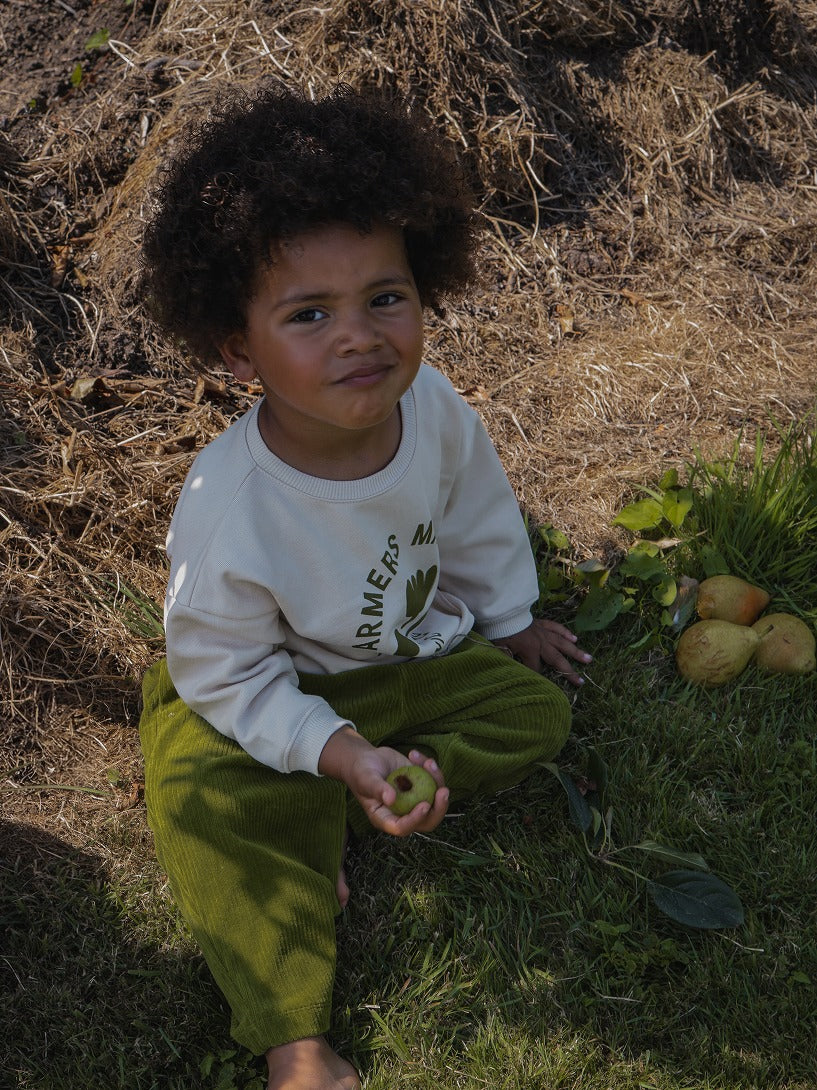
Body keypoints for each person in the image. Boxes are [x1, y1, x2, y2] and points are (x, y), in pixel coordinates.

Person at [138, 82, 591, 1090]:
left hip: (398, 663)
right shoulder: (231, 507)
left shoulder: (429, 406)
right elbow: (222, 669)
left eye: (385, 296)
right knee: (204, 800)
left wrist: (509, 619)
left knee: (531, 712)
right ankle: (292, 1037)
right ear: (231, 345)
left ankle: (370, 789)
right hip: (252, 696)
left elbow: (475, 510)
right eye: (309, 313)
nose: (360, 335)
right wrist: (328, 746)